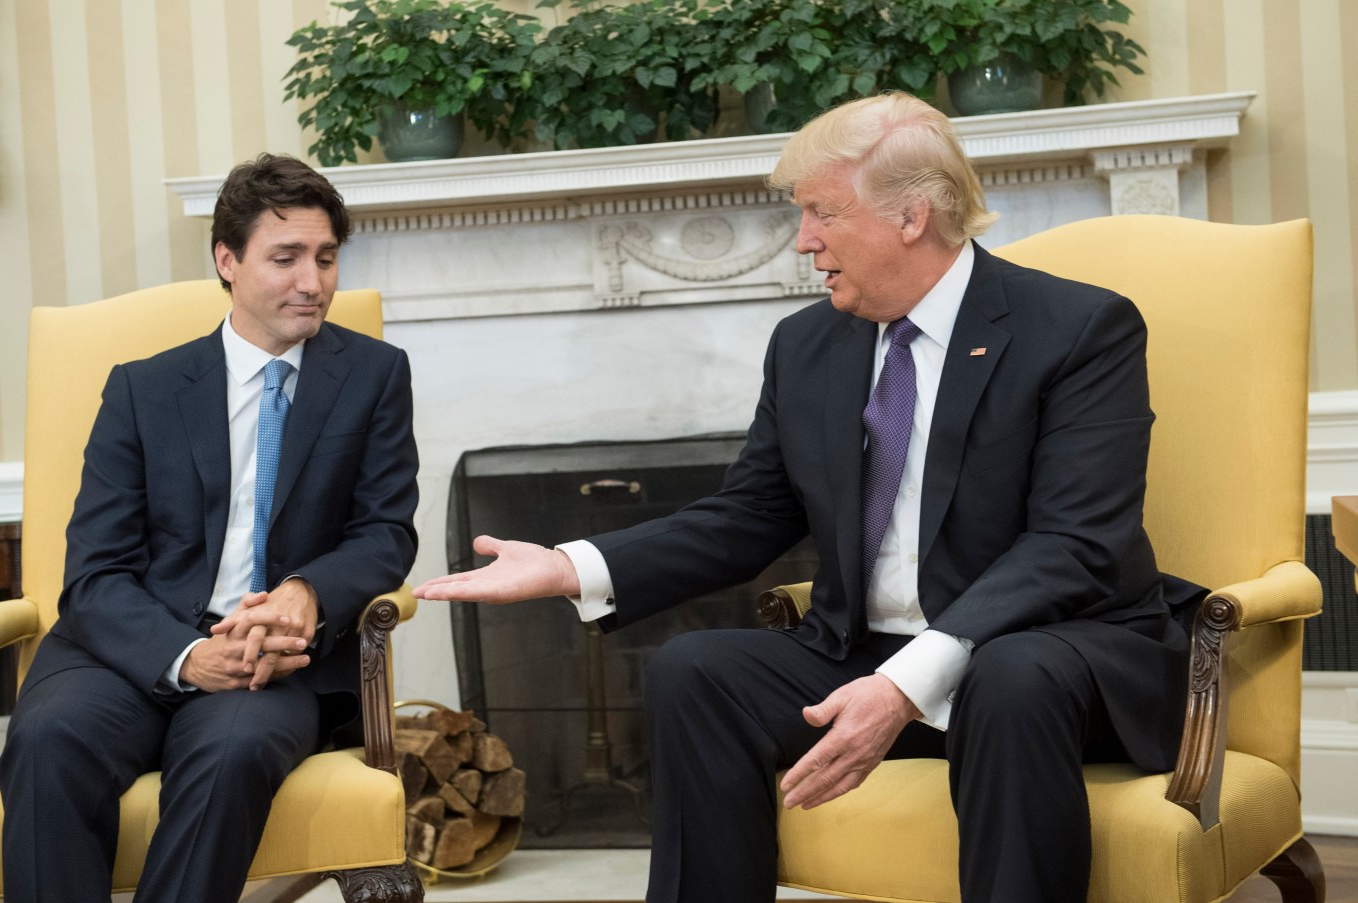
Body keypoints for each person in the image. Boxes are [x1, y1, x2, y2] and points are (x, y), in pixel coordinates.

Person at [415, 92, 1198, 903]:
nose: (805, 241)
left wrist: (904, 685)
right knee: (696, 671)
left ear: (911, 216)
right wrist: (571, 566)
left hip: (1051, 652)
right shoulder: (808, 344)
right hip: (866, 649)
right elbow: (750, 513)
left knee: (1009, 672)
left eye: (824, 212)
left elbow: (1074, 544)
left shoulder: (1077, 328)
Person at [0, 153, 419, 903]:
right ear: (227, 260)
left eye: (325, 258)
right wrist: (186, 655)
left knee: (232, 751)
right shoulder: (144, 388)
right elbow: (94, 573)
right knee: (49, 738)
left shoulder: (375, 375)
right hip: (126, 652)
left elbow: (386, 532)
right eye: (285, 258)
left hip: (273, 661)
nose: (313, 282)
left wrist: (306, 592)